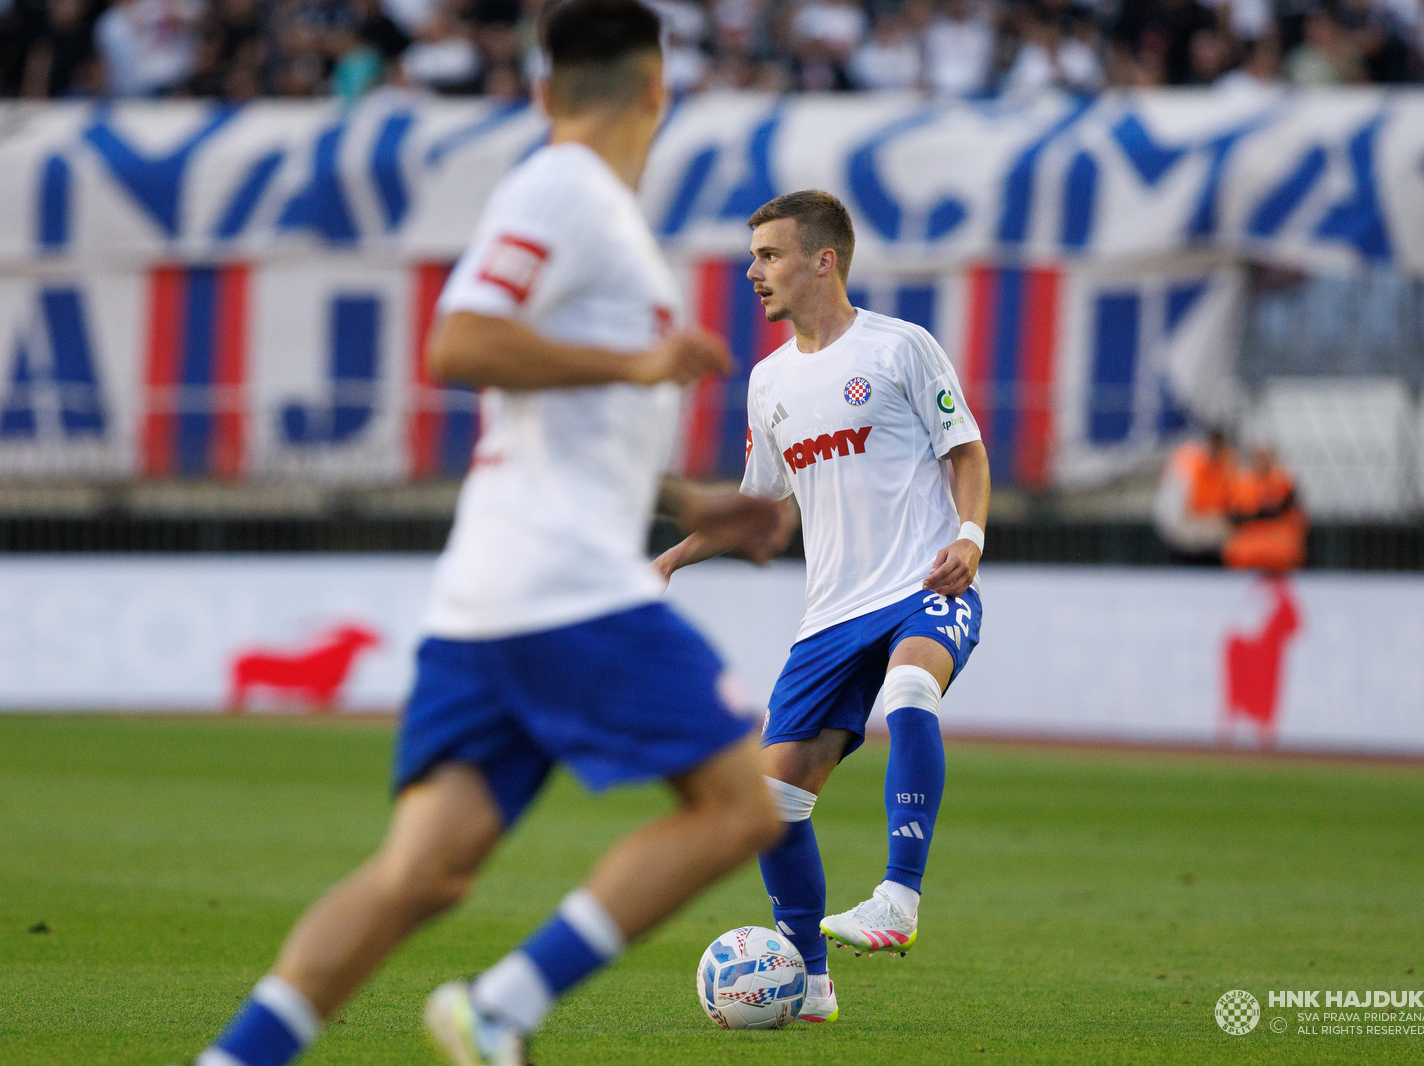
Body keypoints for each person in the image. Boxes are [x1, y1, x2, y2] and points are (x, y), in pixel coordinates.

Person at [183, 3, 792, 1065]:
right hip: (566, 585)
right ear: (658, 91)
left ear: (543, 90)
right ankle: (501, 1006)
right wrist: (637, 365)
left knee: (420, 875)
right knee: (742, 809)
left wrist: (684, 503)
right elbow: (459, 342)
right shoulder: (564, 190)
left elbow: (561, 426)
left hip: (495, 588)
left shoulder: (588, 212)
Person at [654, 190, 992, 1024]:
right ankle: (810, 985)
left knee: (910, 688)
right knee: (769, 807)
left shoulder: (900, 347)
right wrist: (673, 557)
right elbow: (761, 505)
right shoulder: (768, 381)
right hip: (830, 616)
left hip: (924, 584)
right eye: (753, 256)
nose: (753, 272)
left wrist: (970, 537)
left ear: (823, 260)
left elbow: (967, 451)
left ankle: (898, 898)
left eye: (769, 255)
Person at [1153, 426, 1235, 565]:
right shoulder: (1190, 462)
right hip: (1181, 528)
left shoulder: (1225, 464)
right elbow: (1178, 512)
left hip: (1203, 530)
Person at [1223, 443, 1307, 572]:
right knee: (1238, 550)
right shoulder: (1242, 482)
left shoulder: (1284, 481)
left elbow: (1293, 512)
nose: (1263, 460)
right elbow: (1236, 515)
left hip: (1278, 533)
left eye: (1266, 455)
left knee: (1287, 548)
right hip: (1250, 533)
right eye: (1260, 456)